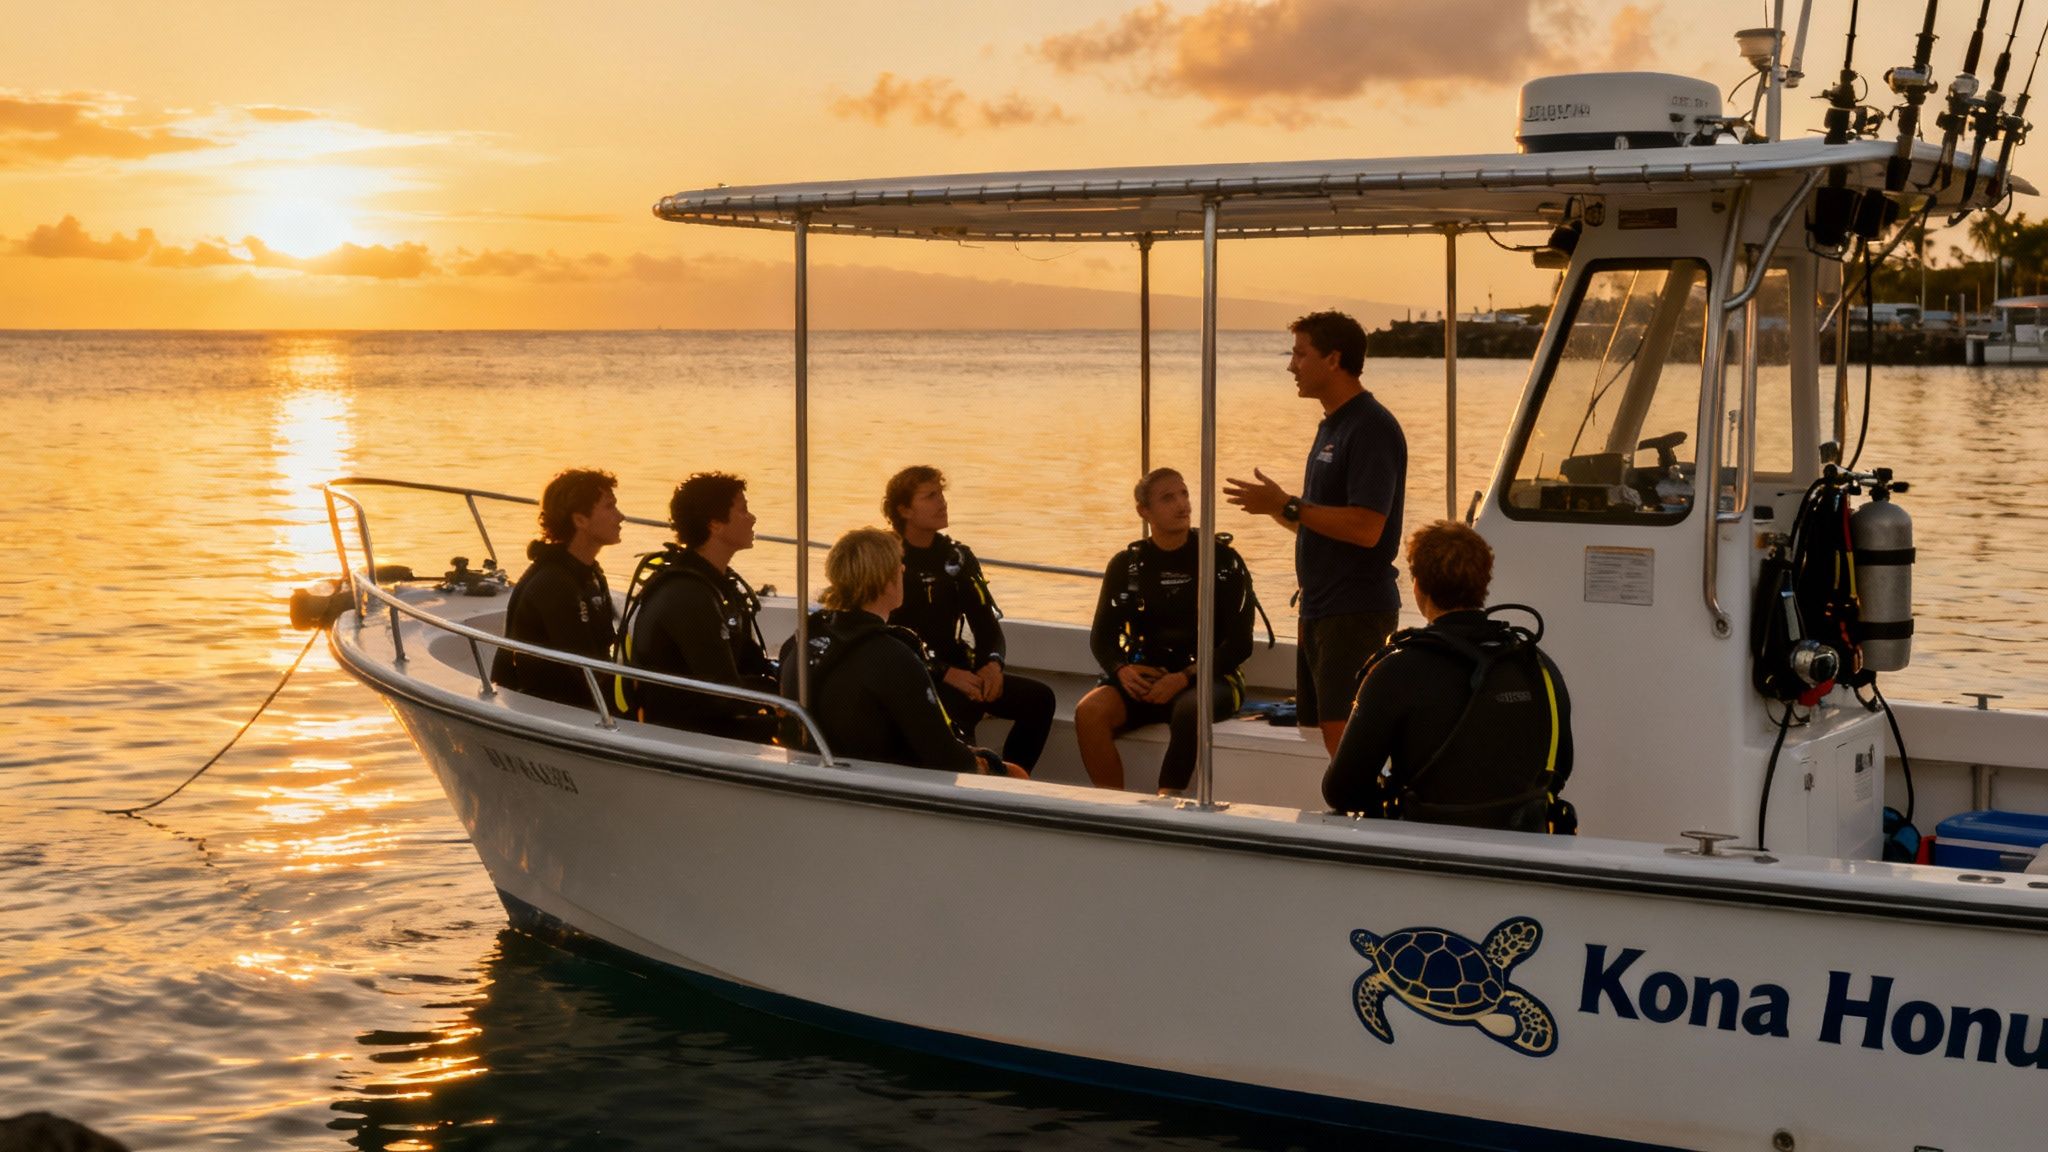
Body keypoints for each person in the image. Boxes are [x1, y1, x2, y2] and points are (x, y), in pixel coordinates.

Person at [1224, 310, 1407, 758]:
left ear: (1333, 359)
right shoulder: (1332, 426)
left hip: (1355, 609)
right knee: (1317, 729)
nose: (1291, 366)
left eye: (1300, 354)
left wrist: (1288, 504)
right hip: (1320, 608)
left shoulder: (1370, 427)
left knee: (1342, 733)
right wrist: (1277, 511)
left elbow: (1367, 528)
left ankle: (1363, 824)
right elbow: (1317, 520)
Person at [1323, 521, 1573, 833]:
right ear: (1484, 583)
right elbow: (1560, 769)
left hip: (1427, 853)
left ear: (1418, 585)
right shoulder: (1537, 666)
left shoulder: (1395, 670)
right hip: (1521, 852)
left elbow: (1343, 791)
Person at [778, 527, 1020, 776]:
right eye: (899, 566)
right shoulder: (892, 656)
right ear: (886, 580)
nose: (904, 570)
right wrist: (989, 763)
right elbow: (948, 760)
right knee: (1015, 774)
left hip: (813, 777)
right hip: (883, 788)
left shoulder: (800, 641)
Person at [1075, 468, 1257, 794]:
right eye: (1168, 498)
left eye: (1184, 494)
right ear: (1144, 512)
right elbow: (1101, 637)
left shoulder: (1222, 560)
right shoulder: (1126, 565)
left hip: (1211, 678)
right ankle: (1111, 807)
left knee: (1189, 710)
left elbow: (1240, 645)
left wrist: (1185, 677)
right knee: (1088, 713)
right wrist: (1121, 669)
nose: (1182, 505)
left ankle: (1166, 803)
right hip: (1148, 677)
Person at [883, 466, 1056, 771]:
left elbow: (986, 624)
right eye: (930, 496)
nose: (942, 502)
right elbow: (885, 637)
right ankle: (977, 785)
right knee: (957, 706)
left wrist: (992, 665)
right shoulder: (886, 558)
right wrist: (945, 674)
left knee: (1039, 699)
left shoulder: (957, 557)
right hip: (913, 674)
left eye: (942, 493)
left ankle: (1011, 778)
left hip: (961, 668)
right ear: (904, 509)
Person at [616, 472, 779, 741]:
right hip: (685, 733)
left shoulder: (718, 584)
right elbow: (723, 695)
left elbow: (748, 662)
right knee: (803, 733)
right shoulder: (687, 595)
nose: (752, 518)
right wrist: (777, 699)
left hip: (712, 719)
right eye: (743, 510)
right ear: (715, 525)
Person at [490, 468, 623, 707]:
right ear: (580, 520)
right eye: (610, 506)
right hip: (551, 710)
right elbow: (583, 670)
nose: (620, 516)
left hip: (584, 702)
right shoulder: (553, 583)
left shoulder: (590, 573)